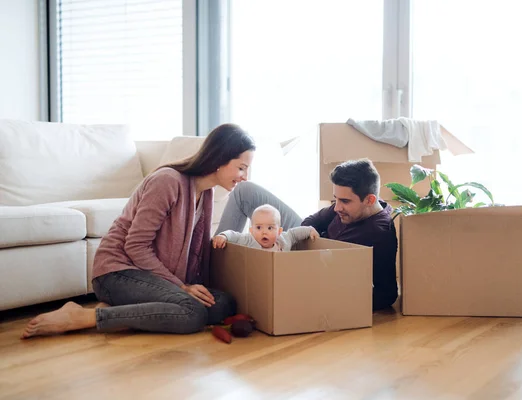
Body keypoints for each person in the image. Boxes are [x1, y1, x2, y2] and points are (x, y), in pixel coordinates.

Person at [21, 124, 256, 339]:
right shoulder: (168, 181)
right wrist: (182, 288)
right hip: (118, 271)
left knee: (224, 302)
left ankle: (120, 308)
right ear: (220, 159)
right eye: (241, 168)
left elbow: (194, 256)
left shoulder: (206, 193)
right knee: (191, 312)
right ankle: (84, 316)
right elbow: (135, 245)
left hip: (151, 277)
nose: (244, 176)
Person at [216, 158, 398, 311]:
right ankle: (215, 260)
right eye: (336, 199)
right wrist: (296, 239)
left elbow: (387, 294)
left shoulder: (379, 234)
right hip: (300, 239)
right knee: (244, 190)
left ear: (369, 200)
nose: (337, 208)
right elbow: (310, 221)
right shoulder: (346, 207)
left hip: (311, 272)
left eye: (344, 201)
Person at [212, 204, 319, 251]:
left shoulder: (283, 240)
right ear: (251, 231)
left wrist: (310, 230)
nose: (264, 232)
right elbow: (234, 235)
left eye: (270, 228)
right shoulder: (249, 240)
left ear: (279, 231)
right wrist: (224, 236)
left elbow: (294, 233)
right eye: (258, 228)